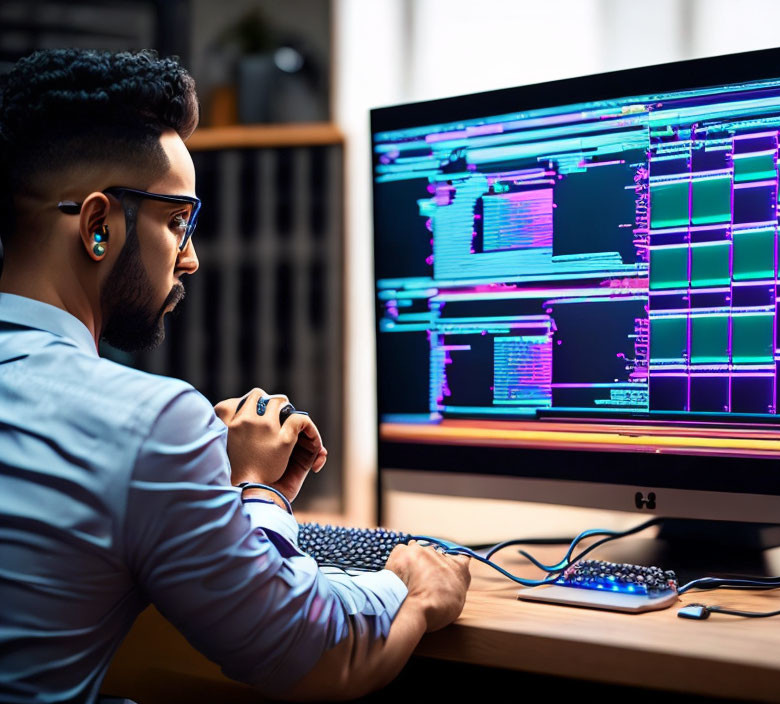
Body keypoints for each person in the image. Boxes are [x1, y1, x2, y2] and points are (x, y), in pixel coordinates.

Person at [0, 48, 470, 703]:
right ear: (99, 225)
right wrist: (414, 590)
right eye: (176, 221)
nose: (189, 259)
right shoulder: (149, 425)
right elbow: (315, 651)